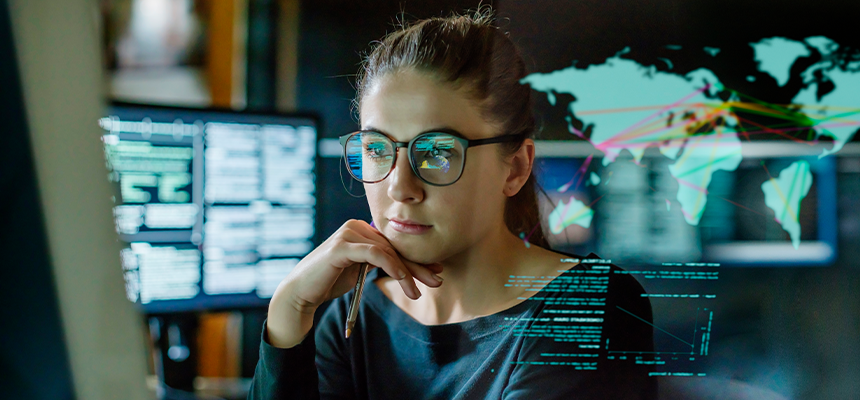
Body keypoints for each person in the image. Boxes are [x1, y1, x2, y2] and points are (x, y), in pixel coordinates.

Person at [249, 8, 656, 400]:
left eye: (438, 153)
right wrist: (289, 309)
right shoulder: (353, 316)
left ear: (514, 168)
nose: (399, 187)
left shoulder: (590, 309)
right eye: (376, 149)